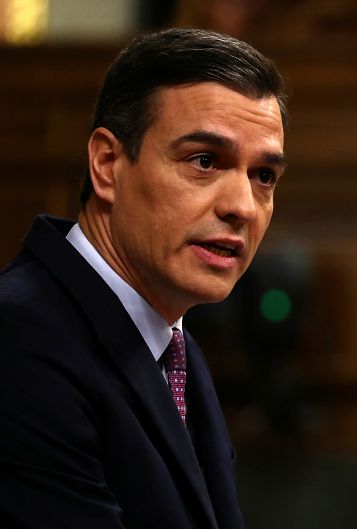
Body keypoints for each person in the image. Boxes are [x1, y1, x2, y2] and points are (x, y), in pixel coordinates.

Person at [0, 27, 287, 529]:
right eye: (204, 161)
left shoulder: (173, 343)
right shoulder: (18, 338)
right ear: (108, 164)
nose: (242, 206)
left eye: (263, 175)